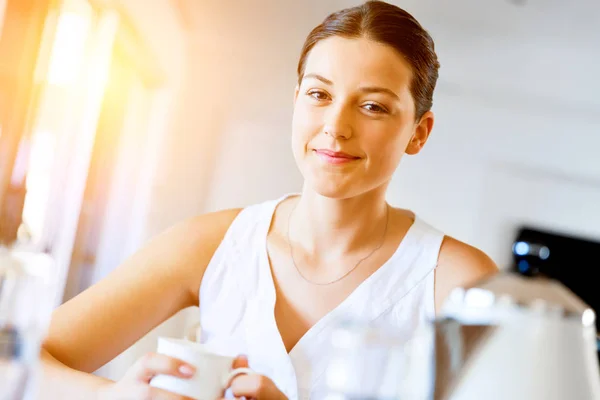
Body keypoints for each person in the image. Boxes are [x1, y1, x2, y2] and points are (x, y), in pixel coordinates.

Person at [40, 1, 498, 399]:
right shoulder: (211, 244)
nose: (335, 127)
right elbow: (17, 355)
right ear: (296, 100)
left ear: (418, 132)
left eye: (372, 106)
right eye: (319, 94)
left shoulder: (460, 286)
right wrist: (111, 396)